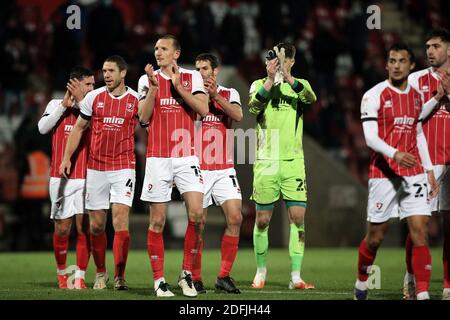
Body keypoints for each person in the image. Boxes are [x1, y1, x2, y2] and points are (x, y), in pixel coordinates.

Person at [354, 43, 440, 300]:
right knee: (375, 238)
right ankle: (361, 283)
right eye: (392, 61)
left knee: (420, 229)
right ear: (387, 64)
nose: (396, 66)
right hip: (384, 175)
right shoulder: (373, 95)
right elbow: (370, 138)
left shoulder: (415, 96)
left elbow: (417, 133)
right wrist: (394, 154)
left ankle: (422, 294)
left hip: (412, 174)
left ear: (411, 65)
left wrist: (427, 170)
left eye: (401, 61)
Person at [60, 55, 153, 290]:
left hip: (123, 168)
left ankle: (120, 275)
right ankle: (101, 273)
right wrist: (66, 158)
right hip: (96, 169)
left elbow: (146, 121)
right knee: (96, 226)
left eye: (111, 70)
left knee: (120, 220)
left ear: (123, 73)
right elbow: (79, 128)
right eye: (104, 71)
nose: (106, 75)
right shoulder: (94, 97)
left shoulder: (134, 99)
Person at [137, 35, 208, 297]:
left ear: (176, 53)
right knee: (157, 221)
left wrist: (180, 89)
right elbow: (143, 119)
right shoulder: (146, 79)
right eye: (156, 48)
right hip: (158, 157)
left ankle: (186, 273)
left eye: (164, 48)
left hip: (186, 156)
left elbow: (203, 109)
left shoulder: (192, 78)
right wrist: (155, 89)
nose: (158, 52)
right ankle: (159, 280)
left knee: (198, 215)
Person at [248, 42, 317, 290]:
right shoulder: (258, 84)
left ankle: (296, 277)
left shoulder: (300, 85)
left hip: (293, 162)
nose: (278, 63)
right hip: (266, 162)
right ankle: (261, 272)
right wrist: (270, 79)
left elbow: (311, 98)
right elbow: (254, 106)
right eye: (274, 59)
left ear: (292, 62)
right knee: (263, 221)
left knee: (298, 219)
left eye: (283, 59)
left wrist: (287, 79)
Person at [38, 66, 94, 289]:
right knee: (62, 227)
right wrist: (64, 106)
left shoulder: (93, 104)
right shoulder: (54, 104)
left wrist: (81, 102)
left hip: (88, 175)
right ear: (74, 83)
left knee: (84, 227)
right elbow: (42, 128)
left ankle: (79, 276)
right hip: (60, 177)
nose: (92, 88)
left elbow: (95, 123)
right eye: (88, 84)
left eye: (92, 84)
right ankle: (62, 274)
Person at [191, 53, 243, 294]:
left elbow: (238, 116)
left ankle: (223, 276)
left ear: (216, 71)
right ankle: (196, 277)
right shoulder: (190, 95)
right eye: (198, 68)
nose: (201, 72)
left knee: (235, 218)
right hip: (198, 168)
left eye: (205, 68)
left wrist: (215, 96)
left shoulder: (230, 93)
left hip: (224, 168)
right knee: (198, 223)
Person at [405, 28, 450, 300]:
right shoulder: (416, 79)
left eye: (435, 46)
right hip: (425, 163)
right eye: (427, 46)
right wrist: (437, 96)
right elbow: (411, 118)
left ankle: (447, 285)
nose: (429, 51)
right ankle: (412, 282)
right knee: (418, 226)